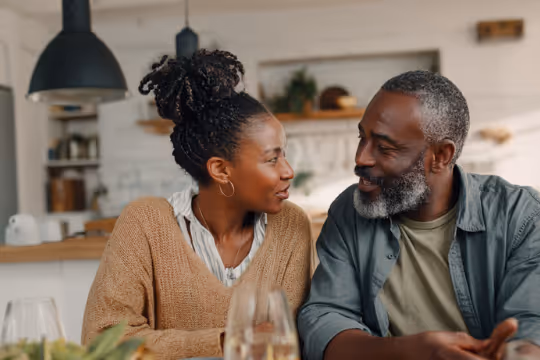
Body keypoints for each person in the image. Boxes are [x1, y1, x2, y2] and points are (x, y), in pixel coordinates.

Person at [82, 50, 313, 360]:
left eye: (283, 154)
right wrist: (227, 341)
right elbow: (102, 340)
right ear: (221, 170)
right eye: (272, 159)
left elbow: (292, 340)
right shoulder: (145, 223)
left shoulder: (291, 225)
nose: (288, 171)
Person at [298, 70, 540, 360]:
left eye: (385, 148)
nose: (361, 158)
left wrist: (517, 353)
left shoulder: (522, 215)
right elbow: (326, 318)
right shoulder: (348, 212)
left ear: (441, 156)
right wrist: (406, 351)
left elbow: (531, 325)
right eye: (362, 137)